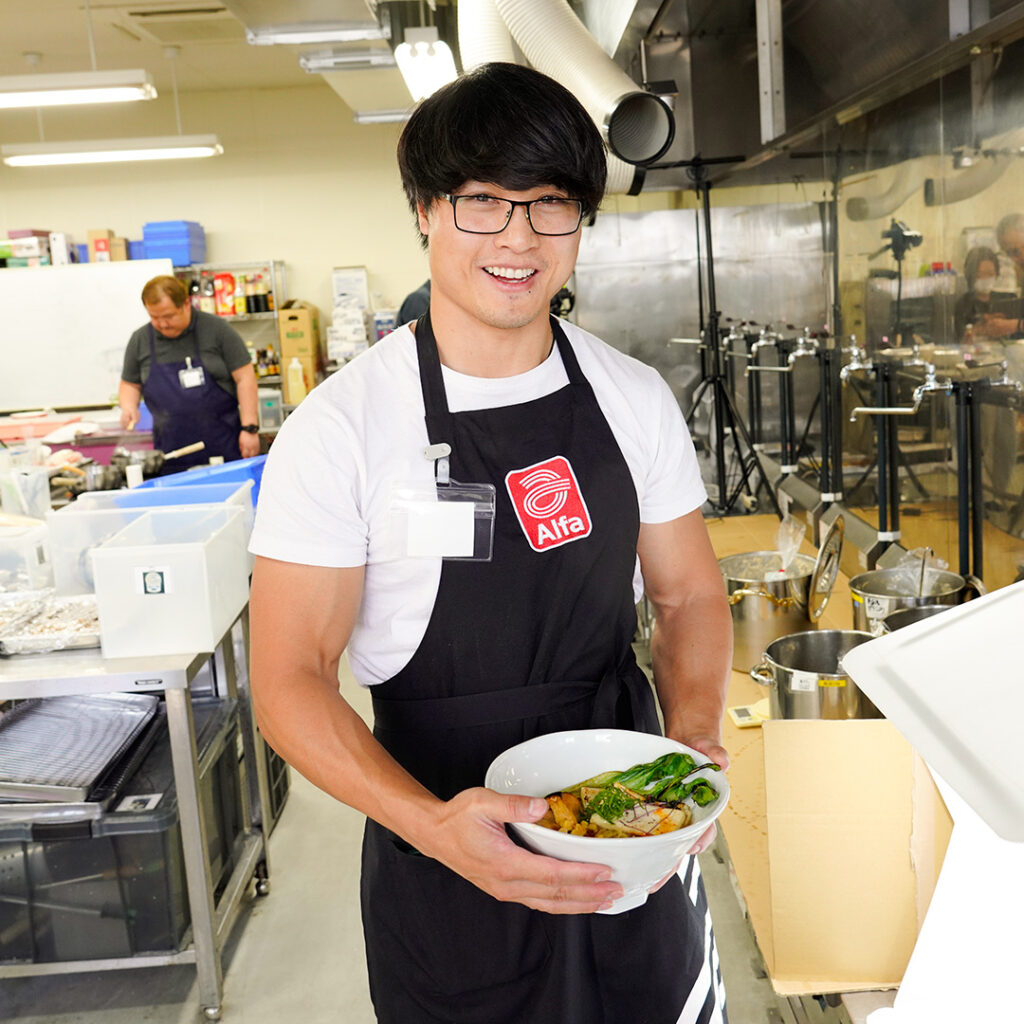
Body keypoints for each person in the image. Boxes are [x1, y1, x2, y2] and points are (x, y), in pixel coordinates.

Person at [248, 62, 732, 1024]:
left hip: (624, 816)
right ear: (425, 211)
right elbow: (289, 678)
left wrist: (692, 746)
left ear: (581, 224)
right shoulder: (342, 428)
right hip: (440, 826)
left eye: (551, 205)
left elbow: (687, 599)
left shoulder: (632, 398)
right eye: (482, 203)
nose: (518, 238)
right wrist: (430, 827)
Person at [118, 275, 260, 470]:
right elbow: (130, 383)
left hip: (223, 443)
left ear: (186, 304)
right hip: (170, 449)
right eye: (154, 318)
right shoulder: (140, 340)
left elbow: (245, 378)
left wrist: (250, 429)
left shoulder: (217, 330)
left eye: (168, 316)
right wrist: (128, 406)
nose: (162, 324)